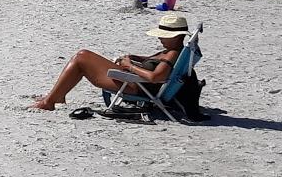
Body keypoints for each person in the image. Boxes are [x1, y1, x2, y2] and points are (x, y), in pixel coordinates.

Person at [32, 12, 190, 110]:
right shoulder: (173, 51)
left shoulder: (172, 54)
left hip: (135, 84)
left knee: (81, 58)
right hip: (134, 80)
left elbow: (157, 77)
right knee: (82, 55)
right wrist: (135, 59)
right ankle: (55, 96)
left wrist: (130, 66)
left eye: (163, 36)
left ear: (175, 36)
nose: (159, 38)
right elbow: (155, 62)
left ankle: (50, 102)